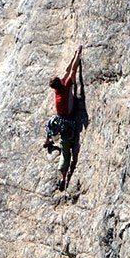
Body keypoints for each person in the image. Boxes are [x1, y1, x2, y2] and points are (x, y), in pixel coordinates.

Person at [44, 46, 83, 191]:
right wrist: (78, 55)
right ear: (60, 82)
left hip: (58, 120)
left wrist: (74, 56)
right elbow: (72, 71)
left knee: (50, 124)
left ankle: (48, 140)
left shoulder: (58, 89)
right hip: (68, 122)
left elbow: (67, 71)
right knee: (67, 152)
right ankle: (64, 178)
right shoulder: (65, 86)